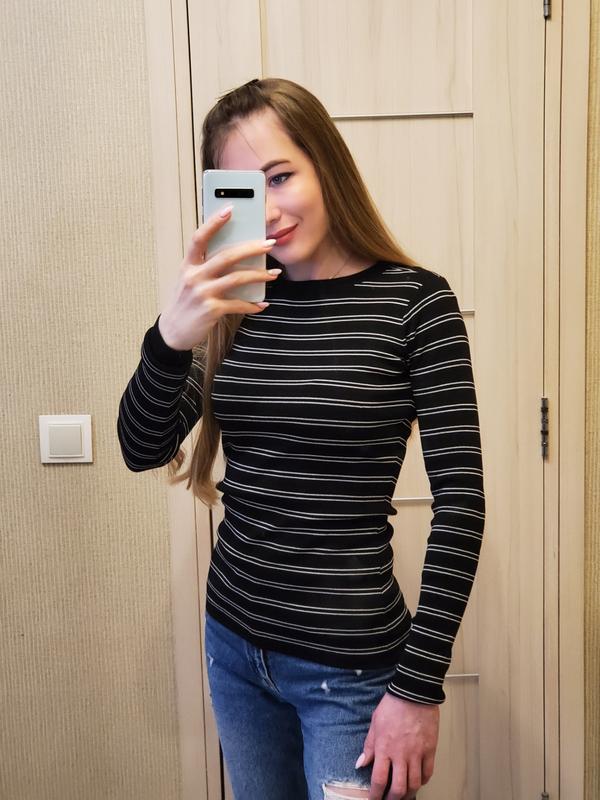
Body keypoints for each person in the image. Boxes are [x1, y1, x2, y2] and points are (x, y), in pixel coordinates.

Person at [117, 77, 485, 800]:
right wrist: (171, 336)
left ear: (326, 164)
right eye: (244, 190)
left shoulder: (416, 305)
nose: (270, 210)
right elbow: (141, 446)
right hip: (233, 648)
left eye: (281, 176)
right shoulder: (233, 308)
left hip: (350, 673)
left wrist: (418, 688)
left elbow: (461, 508)